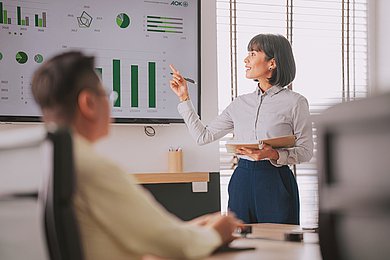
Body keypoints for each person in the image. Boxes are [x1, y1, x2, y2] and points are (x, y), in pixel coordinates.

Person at [31, 51, 241, 260]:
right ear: (89, 103)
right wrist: (216, 232)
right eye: (106, 94)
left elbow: (148, 235)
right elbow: (174, 245)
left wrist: (189, 230)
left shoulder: (45, 160)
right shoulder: (94, 168)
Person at [170, 33, 314, 225]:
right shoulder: (240, 103)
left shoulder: (296, 102)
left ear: (272, 63)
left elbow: (305, 152)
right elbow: (203, 136)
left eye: (253, 54)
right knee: (240, 244)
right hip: (242, 180)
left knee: (279, 247)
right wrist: (184, 98)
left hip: (276, 182)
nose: (246, 59)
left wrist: (273, 154)